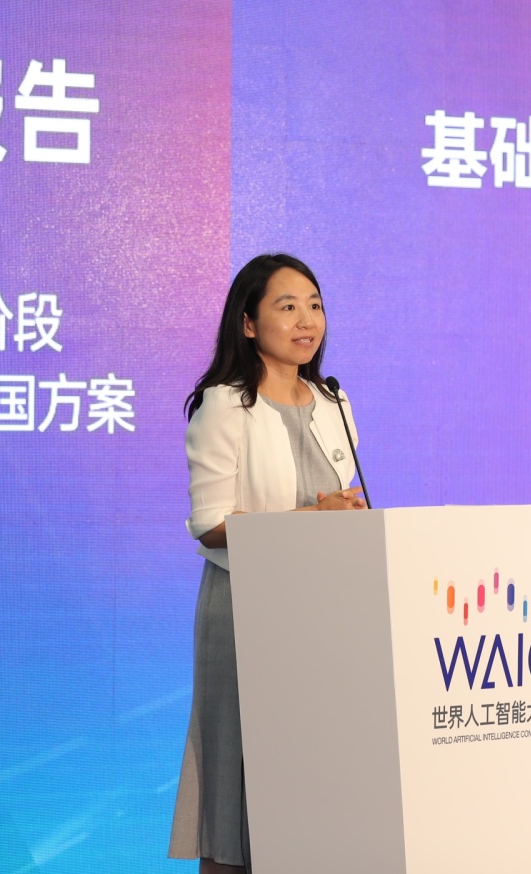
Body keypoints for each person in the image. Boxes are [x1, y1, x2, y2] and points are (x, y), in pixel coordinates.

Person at [168, 253, 367, 873]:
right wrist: (311, 519)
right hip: (246, 611)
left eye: (315, 305)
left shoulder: (333, 401)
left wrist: (347, 515)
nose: (307, 321)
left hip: (324, 611)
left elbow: (340, 499)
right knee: (238, 793)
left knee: (312, 787)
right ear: (248, 323)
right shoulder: (224, 405)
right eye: (288, 307)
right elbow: (210, 523)